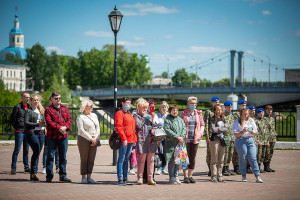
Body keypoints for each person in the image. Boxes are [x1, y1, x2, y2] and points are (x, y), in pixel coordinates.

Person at [44, 91, 72, 183]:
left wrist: (66, 127)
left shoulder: (65, 108)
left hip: (63, 136)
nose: (58, 100)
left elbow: (69, 120)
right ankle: (49, 176)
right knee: (50, 156)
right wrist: (59, 128)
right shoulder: (48, 109)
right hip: (52, 136)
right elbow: (49, 122)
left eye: (59, 98)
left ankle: (63, 175)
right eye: (56, 98)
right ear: (51, 99)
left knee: (63, 157)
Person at [233, 108, 263, 183]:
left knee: (253, 158)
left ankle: (257, 176)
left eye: (247, 114)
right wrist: (242, 131)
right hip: (241, 140)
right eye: (244, 114)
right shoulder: (237, 121)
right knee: (243, 157)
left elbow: (255, 132)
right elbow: (235, 134)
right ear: (241, 114)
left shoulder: (251, 120)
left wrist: (251, 131)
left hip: (250, 140)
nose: (246, 115)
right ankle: (243, 176)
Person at [180, 97, 204, 183]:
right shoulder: (183, 113)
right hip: (185, 139)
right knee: (184, 158)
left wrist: (201, 133)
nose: (193, 105)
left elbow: (202, 124)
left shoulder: (198, 113)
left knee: (192, 158)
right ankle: (185, 176)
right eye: (191, 104)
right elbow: (180, 124)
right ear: (188, 104)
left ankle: (190, 176)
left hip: (195, 139)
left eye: (194, 104)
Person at [133, 98, 157, 185]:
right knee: (142, 159)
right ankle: (140, 178)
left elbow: (154, 126)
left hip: (151, 139)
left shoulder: (149, 115)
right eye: (143, 107)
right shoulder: (136, 115)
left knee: (151, 159)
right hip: (142, 140)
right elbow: (138, 125)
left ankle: (150, 178)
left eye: (146, 108)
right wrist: (144, 117)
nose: (145, 109)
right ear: (139, 107)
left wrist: (153, 118)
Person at [76, 100, 100, 184]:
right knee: (84, 158)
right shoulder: (80, 117)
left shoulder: (94, 115)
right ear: (84, 107)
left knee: (91, 159)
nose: (92, 107)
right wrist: (90, 138)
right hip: (84, 140)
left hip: (94, 139)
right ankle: (83, 177)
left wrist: (96, 138)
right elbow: (81, 130)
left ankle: (89, 176)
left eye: (92, 105)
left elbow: (98, 128)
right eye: (90, 106)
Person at [115, 97, 137, 185]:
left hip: (131, 140)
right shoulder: (120, 113)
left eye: (130, 102)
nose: (128, 104)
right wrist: (124, 139)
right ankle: (120, 178)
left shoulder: (129, 113)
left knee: (126, 159)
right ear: (123, 103)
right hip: (124, 140)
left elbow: (133, 128)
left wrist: (134, 139)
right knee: (121, 158)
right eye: (127, 102)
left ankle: (125, 178)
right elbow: (119, 127)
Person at [24, 94, 46, 181]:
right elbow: (26, 123)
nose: (36, 101)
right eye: (34, 100)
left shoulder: (41, 111)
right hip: (31, 133)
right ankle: (33, 172)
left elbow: (44, 122)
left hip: (41, 133)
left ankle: (33, 174)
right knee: (36, 150)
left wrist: (45, 128)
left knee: (37, 153)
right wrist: (37, 124)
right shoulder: (28, 111)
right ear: (31, 101)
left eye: (37, 100)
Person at [164, 104, 187, 184]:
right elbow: (167, 129)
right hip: (171, 143)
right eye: (173, 110)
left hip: (180, 143)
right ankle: (171, 177)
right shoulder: (167, 119)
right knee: (172, 161)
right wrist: (177, 137)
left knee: (178, 160)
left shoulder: (180, 119)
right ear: (170, 111)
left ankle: (177, 176)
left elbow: (184, 128)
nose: (175, 112)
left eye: (176, 110)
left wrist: (182, 137)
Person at [10, 92, 30, 174]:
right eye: (26, 97)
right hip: (19, 131)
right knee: (17, 149)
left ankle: (26, 167)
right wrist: (17, 127)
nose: (27, 99)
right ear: (22, 97)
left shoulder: (29, 107)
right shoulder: (17, 107)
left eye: (29, 97)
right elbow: (12, 119)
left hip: (27, 131)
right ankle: (13, 167)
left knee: (26, 150)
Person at [208, 104, 228, 182]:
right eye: (218, 109)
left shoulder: (223, 119)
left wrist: (219, 128)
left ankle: (220, 176)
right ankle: (213, 176)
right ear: (215, 110)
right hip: (214, 140)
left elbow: (226, 128)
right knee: (214, 160)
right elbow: (213, 130)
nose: (219, 111)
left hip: (222, 140)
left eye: (221, 109)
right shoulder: (213, 119)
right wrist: (221, 129)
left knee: (221, 160)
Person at [204, 96, 220, 176]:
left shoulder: (220, 111)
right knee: (210, 153)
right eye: (215, 102)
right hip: (211, 136)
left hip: (219, 136)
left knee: (218, 153)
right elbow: (206, 124)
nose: (216, 103)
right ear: (212, 102)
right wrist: (207, 136)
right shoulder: (208, 112)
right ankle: (210, 170)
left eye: (217, 101)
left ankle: (218, 170)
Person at [232, 99, 247, 175]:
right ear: (239, 106)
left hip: (245, 137)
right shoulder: (235, 115)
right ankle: (236, 167)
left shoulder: (247, 115)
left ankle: (243, 167)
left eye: (245, 105)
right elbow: (234, 126)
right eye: (242, 105)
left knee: (244, 153)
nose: (244, 106)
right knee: (236, 153)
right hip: (237, 136)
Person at [155, 101, 169, 175]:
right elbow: (155, 125)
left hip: (167, 137)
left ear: (167, 108)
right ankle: (159, 168)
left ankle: (163, 167)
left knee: (166, 153)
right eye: (162, 107)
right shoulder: (157, 115)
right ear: (160, 108)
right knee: (159, 152)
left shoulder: (169, 116)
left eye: (165, 107)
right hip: (159, 137)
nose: (164, 108)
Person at [222, 101, 236, 176]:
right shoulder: (222, 116)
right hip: (225, 138)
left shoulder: (232, 116)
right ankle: (224, 168)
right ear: (225, 107)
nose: (230, 108)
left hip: (232, 138)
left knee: (230, 153)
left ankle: (227, 167)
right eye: (228, 107)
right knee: (226, 153)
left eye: (231, 107)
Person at [264, 105, 276, 172]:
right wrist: (266, 139)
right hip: (267, 138)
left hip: (272, 138)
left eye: (271, 110)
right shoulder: (264, 119)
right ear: (266, 111)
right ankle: (266, 166)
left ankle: (268, 166)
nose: (269, 111)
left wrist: (275, 137)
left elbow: (273, 129)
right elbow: (264, 130)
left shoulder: (272, 119)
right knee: (267, 152)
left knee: (271, 152)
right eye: (268, 110)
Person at [254, 108, 267, 173]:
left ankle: (260, 167)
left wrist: (267, 140)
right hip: (259, 141)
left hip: (265, 140)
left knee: (263, 155)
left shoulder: (265, 120)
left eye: (262, 112)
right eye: (260, 113)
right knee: (258, 155)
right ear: (257, 114)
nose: (261, 114)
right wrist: (257, 140)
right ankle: (257, 168)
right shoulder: (256, 121)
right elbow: (254, 131)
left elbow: (267, 131)